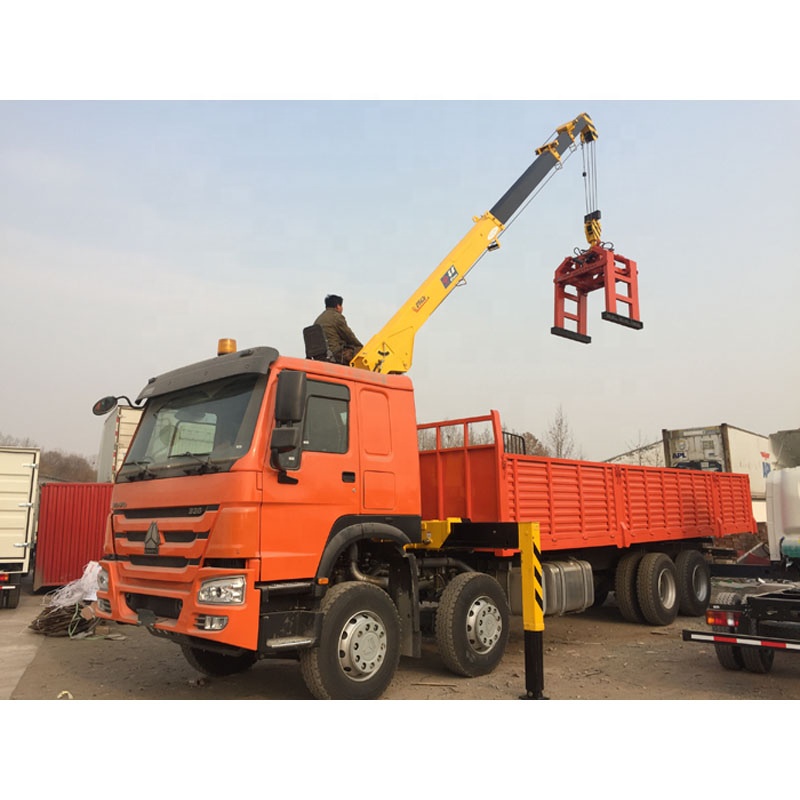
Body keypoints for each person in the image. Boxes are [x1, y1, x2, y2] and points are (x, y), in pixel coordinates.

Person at [314, 294, 363, 364]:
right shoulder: (337, 317)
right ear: (338, 306)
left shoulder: (318, 319)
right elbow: (349, 336)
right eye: (341, 306)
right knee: (361, 352)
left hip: (320, 355)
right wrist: (361, 346)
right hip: (335, 354)